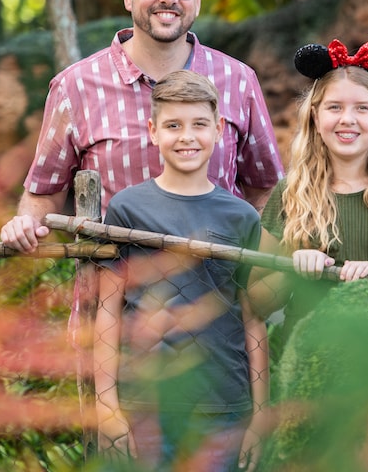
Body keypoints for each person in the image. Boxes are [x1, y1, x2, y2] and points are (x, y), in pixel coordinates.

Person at [0, 0, 283, 466]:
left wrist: (262, 287)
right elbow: (42, 194)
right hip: (116, 341)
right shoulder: (76, 87)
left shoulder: (238, 81)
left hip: (219, 341)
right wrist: (23, 226)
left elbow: (263, 188)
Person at [93, 71, 262, 471]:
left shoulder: (240, 215)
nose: (187, 136)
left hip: (223, 404)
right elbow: (108, 310)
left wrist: (259, 414)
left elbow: (253, 319)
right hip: (146, 403)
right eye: (173, 125)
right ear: (153, 131)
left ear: (219, 129)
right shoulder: (126, 209)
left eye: (199, 124)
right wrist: (107, 408)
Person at [248, 38, 368, 336]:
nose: (347, 119)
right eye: (334, 107)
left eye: (362, 108)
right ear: (315, 117)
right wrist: (292, 268)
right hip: (306, 360)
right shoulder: (291, 193)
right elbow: (256, 302)